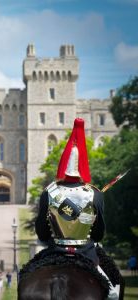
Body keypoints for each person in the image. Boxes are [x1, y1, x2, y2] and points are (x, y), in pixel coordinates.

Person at [35, 118, 119, 299]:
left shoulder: (48, 193)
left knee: (25, 276)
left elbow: (41, 232)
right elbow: (98, 234)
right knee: (113, 290)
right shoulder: (95, 194)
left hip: (54, 251)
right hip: (86, 254)